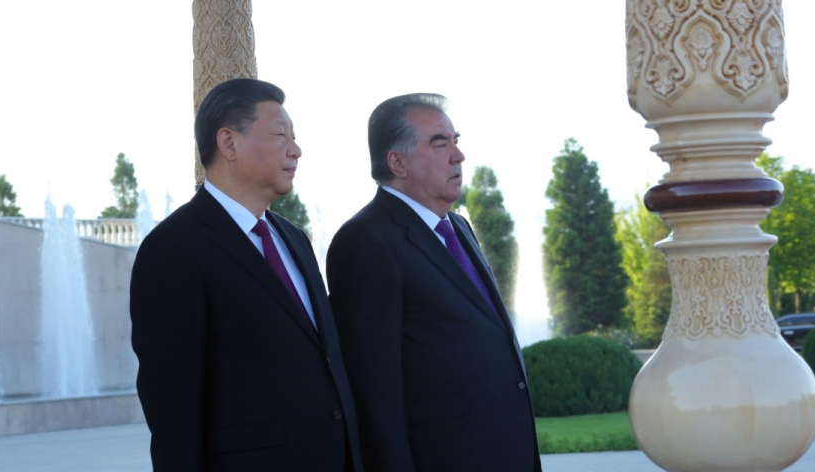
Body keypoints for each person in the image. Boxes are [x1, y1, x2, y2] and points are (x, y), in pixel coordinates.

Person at [130, 78, 362, 472]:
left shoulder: (294, 239)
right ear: (229, 143)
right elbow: (172, 408)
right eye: (280, 135)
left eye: (294, 137)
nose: (296, 149)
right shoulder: (173, 248)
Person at [326, 93, 542, 472]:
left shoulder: (457, 225)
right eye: (440, 144)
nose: (458, 156)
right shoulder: (365, 241)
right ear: (398, 162)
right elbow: (374, 393)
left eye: (456, 141)